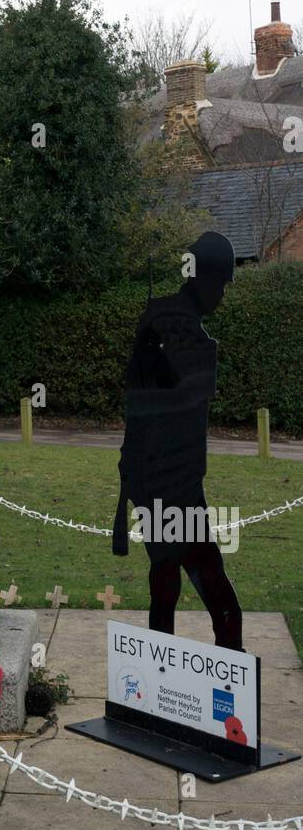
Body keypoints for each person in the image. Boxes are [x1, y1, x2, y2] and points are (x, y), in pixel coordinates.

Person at [112, 231, 243, 650]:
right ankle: (227, 671)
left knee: (164, 581)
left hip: (155, 482)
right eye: (222, 284)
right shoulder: (185, 335)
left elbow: (143, 405)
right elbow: (159, 409)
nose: (222, 295)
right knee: (209, 585)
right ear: (204, 278)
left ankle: (160, 672)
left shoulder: (158, 321)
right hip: (174, 486)